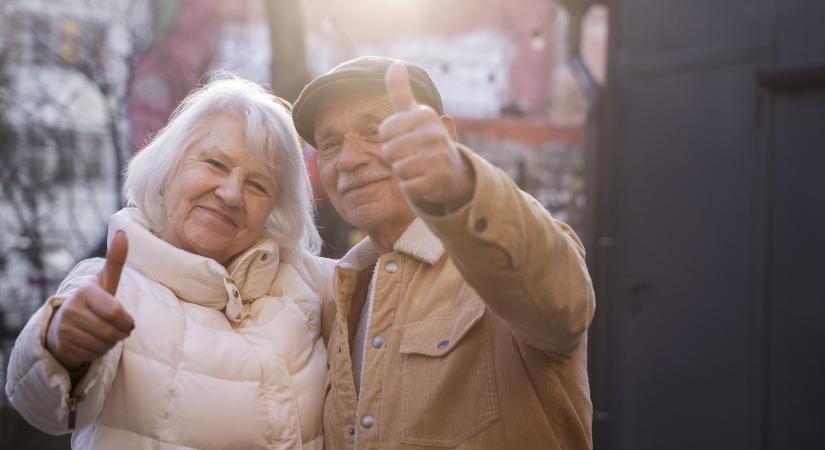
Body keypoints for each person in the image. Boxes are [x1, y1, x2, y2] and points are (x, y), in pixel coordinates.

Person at [5, 76, 334, 449]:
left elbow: (398, 271)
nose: (230, 194)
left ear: (274, 209)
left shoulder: (307, 283)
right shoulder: (111, 285)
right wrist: (63, 347)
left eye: (258, 185)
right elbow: (43, 406)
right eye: (214, 163)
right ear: (168, 167)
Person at [291, 56, 596, 449]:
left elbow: (561, 299)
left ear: (445, 136)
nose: (349, 159)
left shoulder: (501, 257)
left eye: (375, 130)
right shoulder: (340, 291)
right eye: (331, 144)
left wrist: (460, 185)